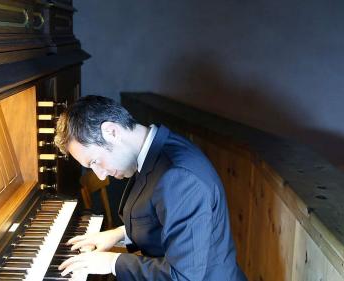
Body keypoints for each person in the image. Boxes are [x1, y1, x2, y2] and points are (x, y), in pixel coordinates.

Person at [55, 95, 247, 281]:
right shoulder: (155, 150)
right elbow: (164, 216)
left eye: (95, 161)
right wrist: (121, 234)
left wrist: (112, 262)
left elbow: (183, 276)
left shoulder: (179, 176)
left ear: (112, 132)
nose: (100, 175)